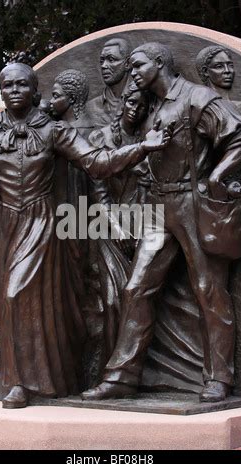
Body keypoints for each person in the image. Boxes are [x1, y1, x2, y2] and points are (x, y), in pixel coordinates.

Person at [0, 62, 172, 409]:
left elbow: (97, 163)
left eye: (22, 85)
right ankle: (39, 381)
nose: (14, 90)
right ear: (1, 91)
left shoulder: (54, 132)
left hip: (40, 221)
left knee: (18, 295)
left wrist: (143, 147)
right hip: (1, 222)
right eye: (7, 85)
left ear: (35, 91)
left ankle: (22, 384)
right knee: (7, 306)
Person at [81, 42, 241, 403]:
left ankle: (219, 378)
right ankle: (122, 377)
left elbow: (240, 139)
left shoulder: (197, 97)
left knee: (209, 289)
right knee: (136, 287)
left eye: (138, 65)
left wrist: (216, 177)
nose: (133, 73)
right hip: (159, 207)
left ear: (159, 63)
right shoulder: (152, 105)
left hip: (194, 203)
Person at [88, 82, 151, 370]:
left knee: (138, 298)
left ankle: (136, 371)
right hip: (108, 229)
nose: (135, 110)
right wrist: (119, 230)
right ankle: (110, 371)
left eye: (142, 106)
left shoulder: (152, 139)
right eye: (131, 103)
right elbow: (98, 195)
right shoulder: (102, 138)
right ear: (122, 103)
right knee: (113, 299)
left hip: (144, 227)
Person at [87, 38, 130, 128]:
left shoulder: (140, 101)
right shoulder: (90, 107)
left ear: (127, 63)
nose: (104, 66)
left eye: (111, 60)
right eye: (102, 61)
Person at [196, 45, 241, 113]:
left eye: (230, 66)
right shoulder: (199, 106)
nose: (227, 71)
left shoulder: (240, 107)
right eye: (219, 66)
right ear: (205, 71)